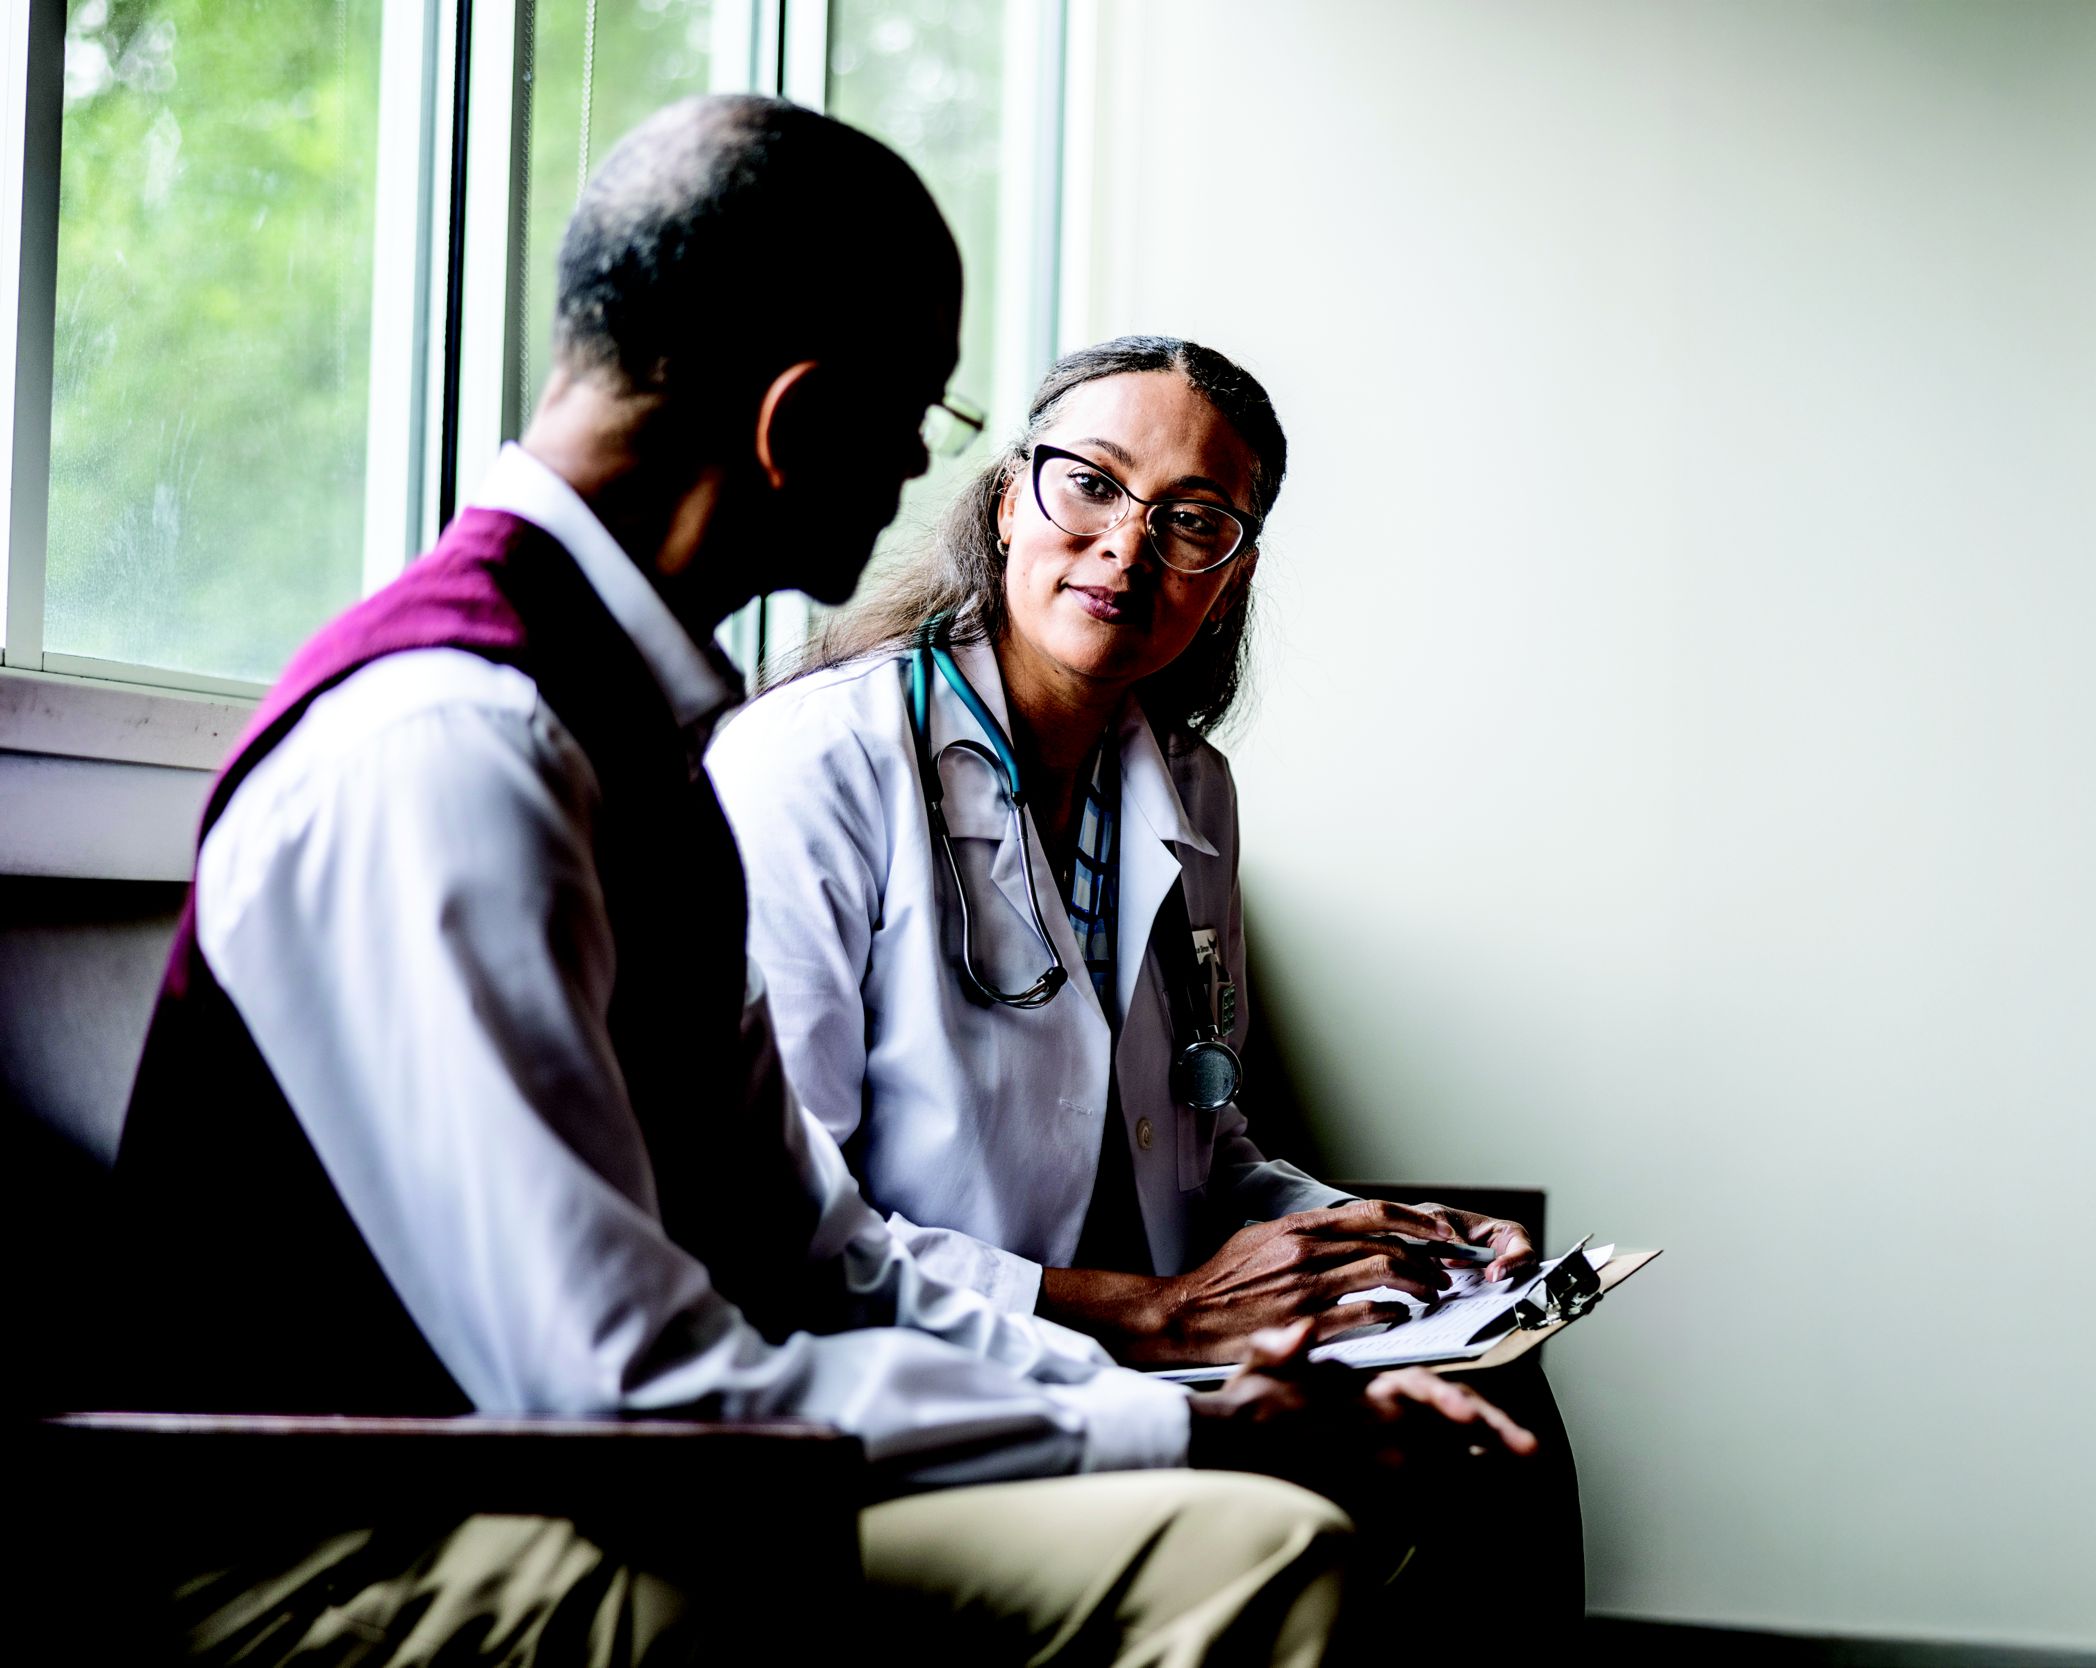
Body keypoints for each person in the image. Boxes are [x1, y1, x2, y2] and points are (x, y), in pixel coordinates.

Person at [101, 101, 1530, 1665]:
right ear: (802, 417)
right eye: (920, 409)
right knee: (1255, 1555)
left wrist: (1191, 1401)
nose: (927, 461)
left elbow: (815, 1253)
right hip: (347, 1534)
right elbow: (622, 1395)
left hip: (586, 1465)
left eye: (1193, 523)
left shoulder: (634, 736)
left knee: (1300, 1516)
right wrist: (1167, 1426)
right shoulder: (458, 747)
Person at [706, 336, 1583, 1614]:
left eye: (1194, 520)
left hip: (1145, 1355)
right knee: (1339, 1514)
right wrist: (1143, 1312)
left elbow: (1201, 1145)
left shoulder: (1189, 792)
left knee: (1501, 1419)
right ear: (1008, 503)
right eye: (1091, 484)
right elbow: (777, 1230)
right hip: (926, 1380)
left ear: (1231, 575)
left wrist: (1376, 1244)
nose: (1127, 545)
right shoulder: (816, 762)